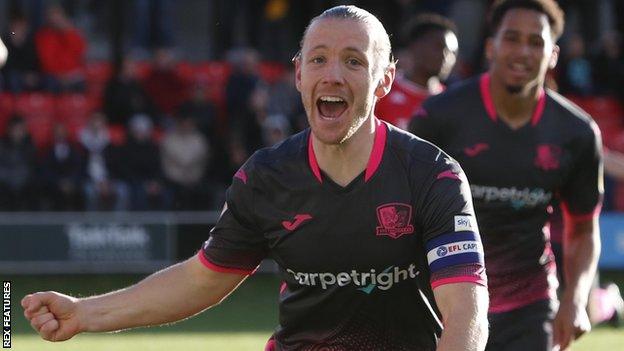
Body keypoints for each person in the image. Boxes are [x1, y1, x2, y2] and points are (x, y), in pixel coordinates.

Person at [22, 6, 489, 350]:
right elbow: (201, 279)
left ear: (385, 80)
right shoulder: (266, 178)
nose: (332, 75)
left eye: (353, 60)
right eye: (319, 59)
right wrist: (84, 313)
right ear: (299, 74)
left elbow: (465, 309)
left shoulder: (433, 174)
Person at [409, 1, 602, 350]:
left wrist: (575, 297)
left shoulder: (577, 133)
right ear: (490, 46)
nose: (523, 52)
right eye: (511, 38)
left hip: (529, 303)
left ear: (553, 54)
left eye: (535, 42)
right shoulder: (439, 116)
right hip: (446, 301)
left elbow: (584, 228)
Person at [375, 13, 458, 130]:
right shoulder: (381, 89)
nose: (446, 57)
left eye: (452, 52)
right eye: (438, 47)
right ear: (415, 46)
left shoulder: (449, 101)